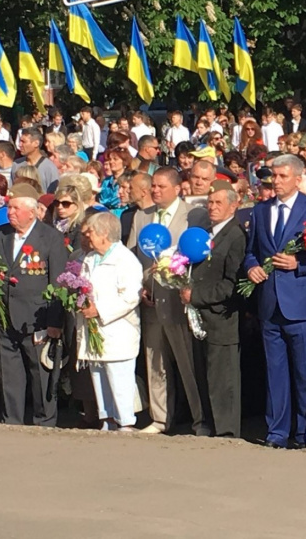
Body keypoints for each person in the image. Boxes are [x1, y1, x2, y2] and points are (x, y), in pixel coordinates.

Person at [243, 154, 306, 448]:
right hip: (270, 303)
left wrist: (299, 264)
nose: (277, 182)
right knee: (275, 372)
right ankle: (277, 431)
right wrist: (252, 267)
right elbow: (252, 250)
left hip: (301, 304)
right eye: (274, 177)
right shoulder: (260, 211)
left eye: (283, 177)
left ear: (298, 178)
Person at [127, 167, 210, 435]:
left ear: (177, 188)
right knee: (155, 362)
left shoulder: (193, 216)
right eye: (153, 186)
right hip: (151, 303)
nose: (155, 190)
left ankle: (199, 419)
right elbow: (133, 259)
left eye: (161, 186)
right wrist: (141, 287)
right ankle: (160, 418)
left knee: (187, 364)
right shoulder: (142, 216)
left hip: (179, 301)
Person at [0, 183, 68, 425]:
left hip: (37, 318)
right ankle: (11, 421)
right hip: (5, 318)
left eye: (15, 207)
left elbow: (58, 283)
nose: (10, 212)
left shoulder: (50, 238)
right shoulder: (1, 235)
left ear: (32, 210)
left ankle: (44, 422)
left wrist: (55, 322)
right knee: (10, 375)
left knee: (41, 375)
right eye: (8, 207)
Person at [181, 181, 246, 438]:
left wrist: (196, 295)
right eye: (210, 202)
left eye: (219, 202)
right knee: (204, 375)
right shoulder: (206, 232)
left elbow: (232, 284)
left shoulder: (236, 236)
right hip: (200, 318)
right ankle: (206, 424)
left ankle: (227, 431)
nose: (212, 207)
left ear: (233, 204)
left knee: (223, 379)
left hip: (222, 318)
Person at [77, 213, 143, 431]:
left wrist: (100, 310)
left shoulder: (125, 260)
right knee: (98, 375)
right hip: (93, 328)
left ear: (104, 233)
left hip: (117, 329)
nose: (88, 237)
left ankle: (125, 421)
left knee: (119, 377)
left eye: (92, 232)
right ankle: (107, 419)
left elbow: (130, 297)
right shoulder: (90, 258)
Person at [11, 128, 58, 193]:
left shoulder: (49, 168)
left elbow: (52, 194)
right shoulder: (16, 164)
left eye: (23, 142)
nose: (20, 145)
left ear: (36, 143)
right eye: (20, 141)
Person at [52, 185, 85, 252]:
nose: (59, 207)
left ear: (76, 205)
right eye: (57, 203)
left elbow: (76, 256)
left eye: (65, 203)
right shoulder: (51, 225)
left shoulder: (79, 230)